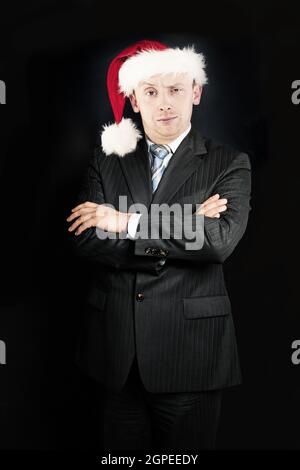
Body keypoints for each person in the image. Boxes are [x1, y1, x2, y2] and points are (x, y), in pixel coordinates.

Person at [66, 39, 252, 451]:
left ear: (196, 92)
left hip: (190, 355)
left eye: (175, 90)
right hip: (114, 355)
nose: (164, 103)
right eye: (150, 92)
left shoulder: (229, 163)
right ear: (133, 99)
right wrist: (183, 229)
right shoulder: (106, 161)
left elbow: (218, 242)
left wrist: (124, 222)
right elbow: (84, 240)